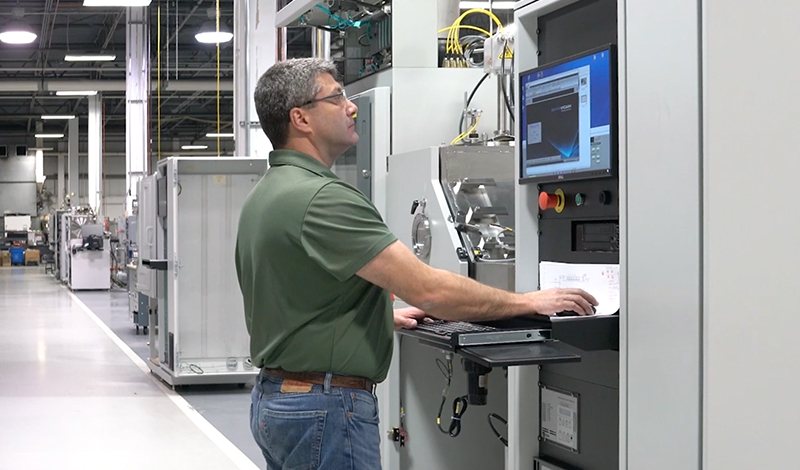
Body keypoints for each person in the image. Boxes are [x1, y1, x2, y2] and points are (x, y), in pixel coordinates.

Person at [235, 58, 598, 470]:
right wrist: (528, 301)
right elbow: (431, 291)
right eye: (336, 97)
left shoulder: (266, 195)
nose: (351, 107)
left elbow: (289, 292)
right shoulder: (322, 197)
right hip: (326, 409)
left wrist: (375, 315)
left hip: (279, 400)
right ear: (300, 118)